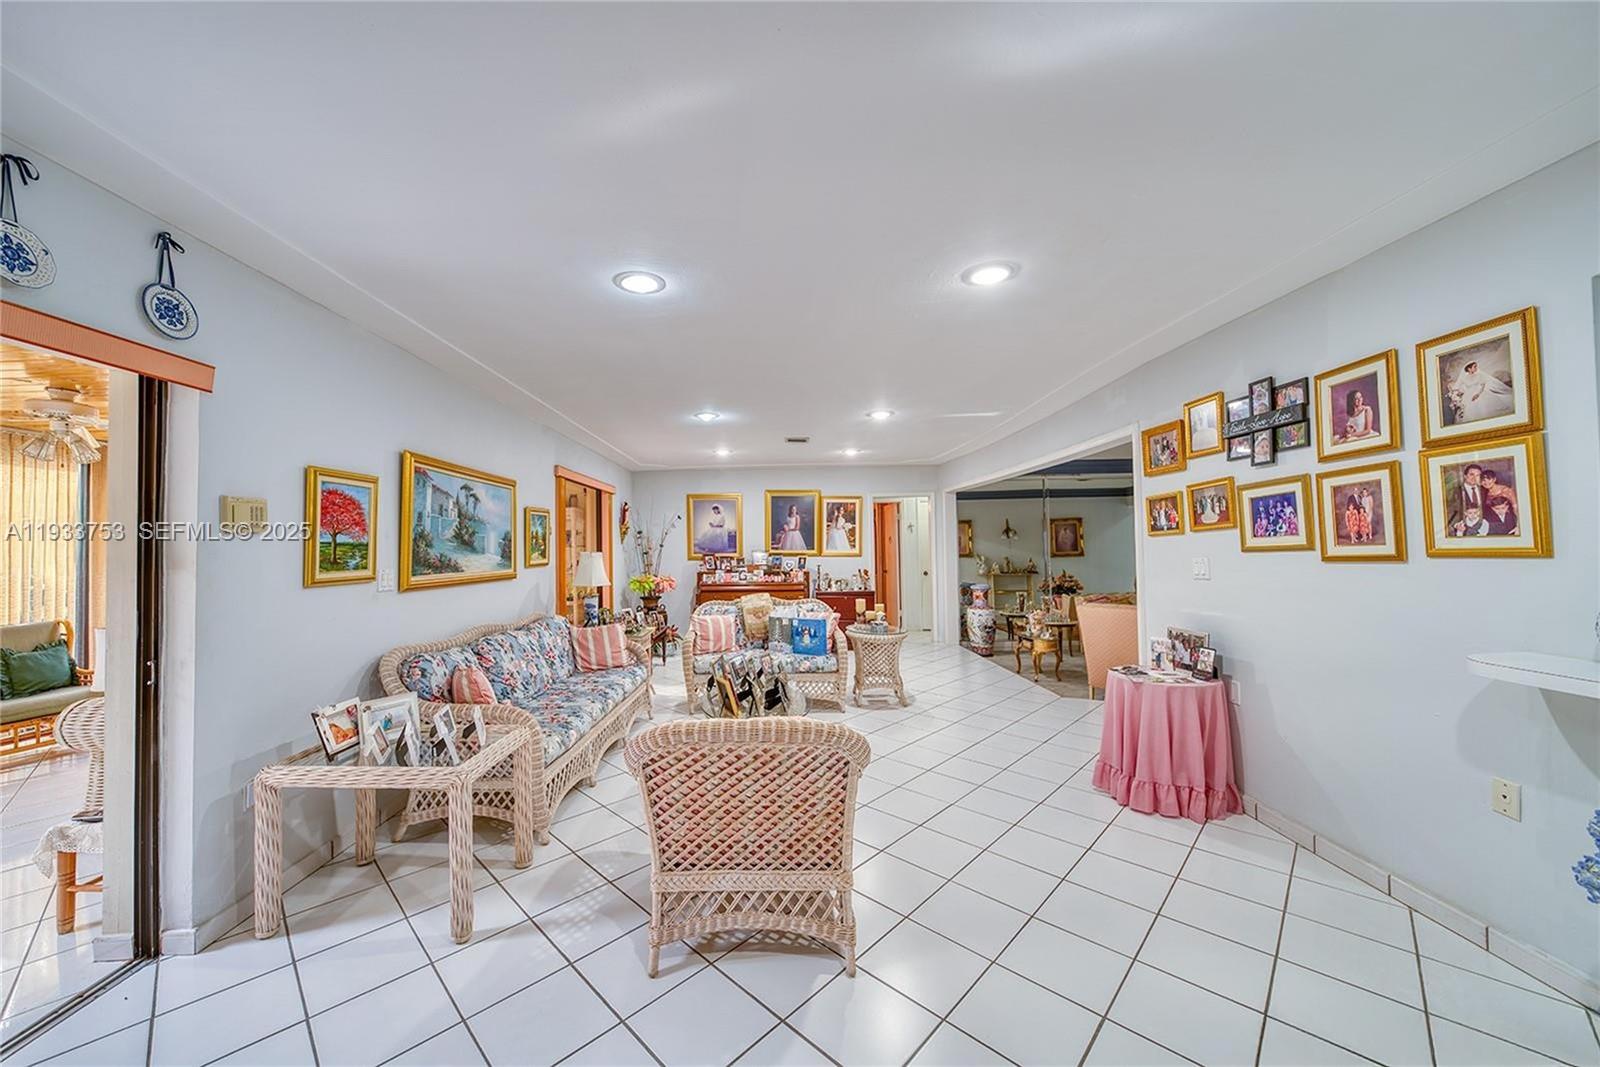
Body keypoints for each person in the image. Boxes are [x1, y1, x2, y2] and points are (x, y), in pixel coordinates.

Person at [1449, 359, 1514, 423]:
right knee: (1469, 410)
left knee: (1484, 408)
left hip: (1479, 392)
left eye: (1476, 366)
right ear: (1469, 369)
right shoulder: (1464, 378)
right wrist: (1456, 392)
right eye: (1474, 367)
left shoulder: (1479, 375)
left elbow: (1482, 386)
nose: (1476, 368)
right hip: (1468, 395)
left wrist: (1478, 394)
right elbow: (1459, 387)